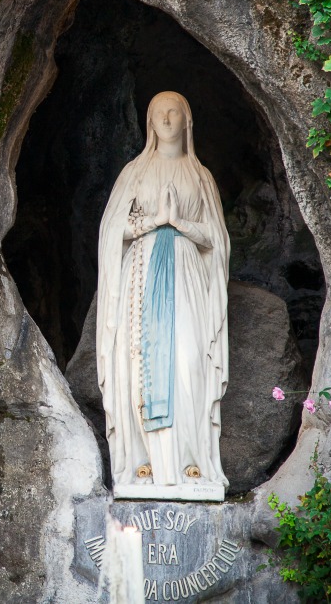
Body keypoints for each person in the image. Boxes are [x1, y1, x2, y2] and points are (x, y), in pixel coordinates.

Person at [95, 91, 230, 500]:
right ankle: (145, 463)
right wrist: (153, 223)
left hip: (187, 277)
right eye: (159, 114)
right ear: (148, 123)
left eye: (175, 112)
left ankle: (193, 462)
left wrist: (180, 224)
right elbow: (108, 233)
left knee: (189, 362)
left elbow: (216, 239)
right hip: (140, 275)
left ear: (187, 121)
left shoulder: (201, 176)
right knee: (138, 362)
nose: (167, 119)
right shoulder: (134, 172)